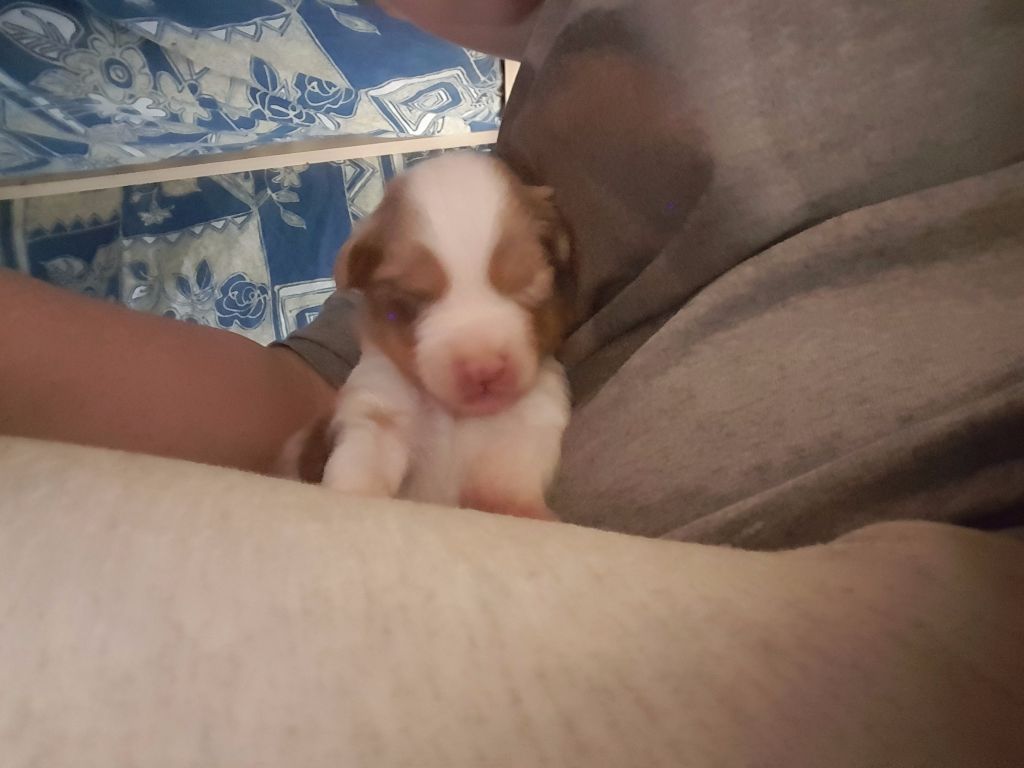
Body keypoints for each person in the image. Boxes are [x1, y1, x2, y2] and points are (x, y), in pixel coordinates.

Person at [1, 0, 1022, 763]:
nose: (478, 348)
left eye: (519, 288)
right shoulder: (478, 202)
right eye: (413, 306)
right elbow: (321, 395)